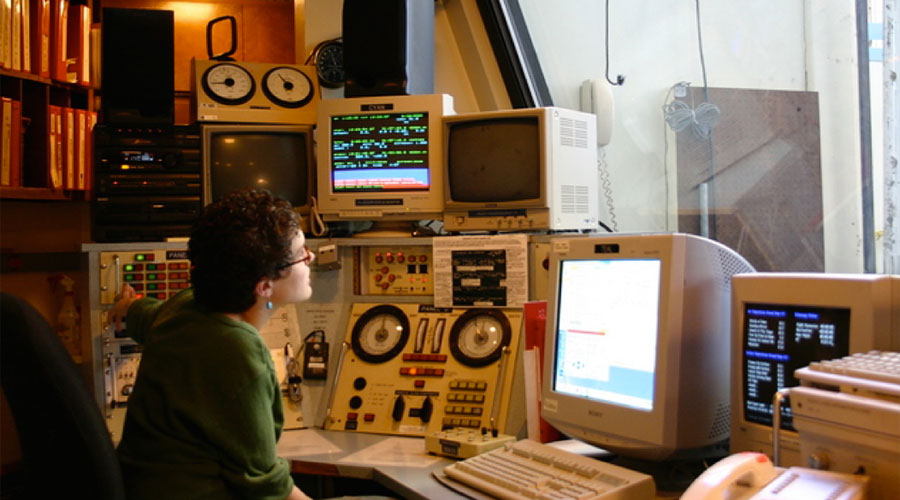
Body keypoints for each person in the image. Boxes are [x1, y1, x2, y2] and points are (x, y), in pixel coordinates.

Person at [111, 189, 315, 500]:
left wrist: (125, 306)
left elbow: (144, 314)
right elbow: (265, 485)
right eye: (301, 253)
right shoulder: (238, 351)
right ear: (264, 285)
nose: (311, 257)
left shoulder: (185, 306)